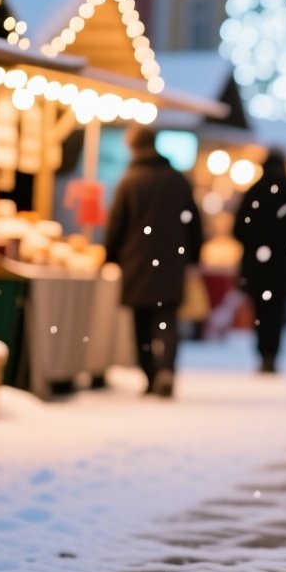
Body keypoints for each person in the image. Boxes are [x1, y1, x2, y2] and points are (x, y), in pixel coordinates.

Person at [105, 127, 203, 398]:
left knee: (141, 321)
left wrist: (109, 255)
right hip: (171, 261)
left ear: (134, 148)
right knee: (167, 320)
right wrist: (194, 255)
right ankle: (167, 370)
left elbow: (117, 225)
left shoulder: (129, 181)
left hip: (137, 260)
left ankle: (149, 376)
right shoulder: (177, 179)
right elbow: (193, 221)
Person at [233, 148, 286, 374]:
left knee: (260, 311)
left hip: (257, 268)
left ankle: (262, 352)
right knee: (277, 312)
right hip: (283, 267)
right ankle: (272, 354)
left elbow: (239, 229)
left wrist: (256, 243)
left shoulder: (254, 192)